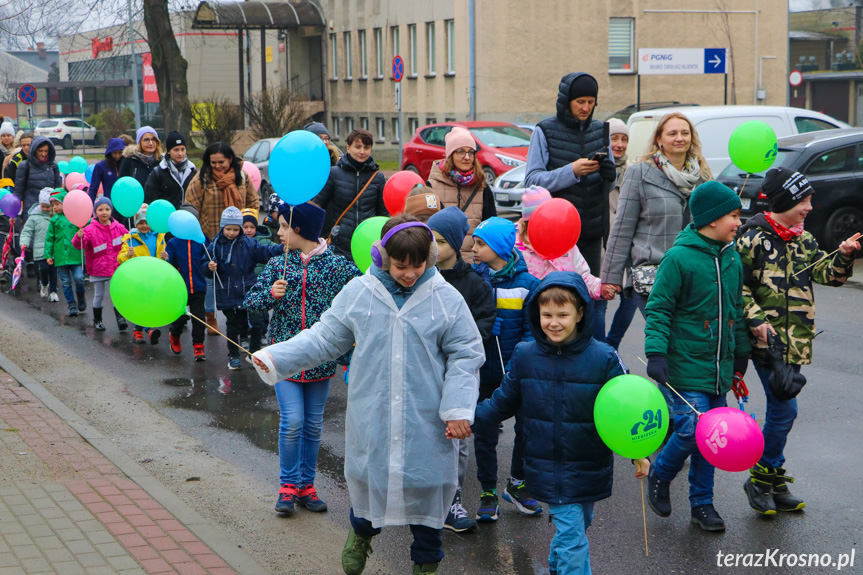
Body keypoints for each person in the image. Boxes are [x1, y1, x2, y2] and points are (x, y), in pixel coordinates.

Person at [250, 214, 484, 575]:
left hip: (428, 415)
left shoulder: (445, 298)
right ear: (382, 256)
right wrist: (275, 356)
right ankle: (361, 534)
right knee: (370, 480)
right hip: (373, 410)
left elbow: (466, 354)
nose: (409, 274)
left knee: (429, 487)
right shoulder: (360, 292)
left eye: (417, 265)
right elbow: (325, 338)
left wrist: (457, 408)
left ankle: (426, 562)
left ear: (430, 258)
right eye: (400, 265)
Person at [472, 272, 648, 575]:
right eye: (547, 314)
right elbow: (502, 402)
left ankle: (556, 567)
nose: (554, 322)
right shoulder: (526, 355)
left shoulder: (604, 357)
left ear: (580, 314)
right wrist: (466, 420)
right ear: (536, 314)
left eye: (563, 314)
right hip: (547, 465)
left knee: (579, 525)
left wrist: (637, 450)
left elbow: (626, 408)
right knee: (572, 535)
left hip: (589, 462)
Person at [736, 168, 859, 515]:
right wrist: (756, 320)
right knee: (784, 409)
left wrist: (844, 254)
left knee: (782, 410)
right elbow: (737, 286)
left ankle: (772, 480)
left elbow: (826, 274)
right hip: (765, 343)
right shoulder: (752, 238)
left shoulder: (803, 238)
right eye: (804, 200)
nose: (809, 206)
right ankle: (761, 477)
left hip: (797, 342)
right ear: (786, 201)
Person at [644, 181, 751, 532]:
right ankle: (660, 474)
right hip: (683, 365)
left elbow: (735, 309)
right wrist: (656, 352)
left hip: (717, 367)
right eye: (733, 215)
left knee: (715, 441)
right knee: (693, 431)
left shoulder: (732, 257)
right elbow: (658, 309)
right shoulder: (679, 258)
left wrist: (741, 354)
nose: (739, 222)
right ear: (711, 219)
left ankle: (702, 504)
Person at [244, 202, 361, 516]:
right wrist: (270, 294)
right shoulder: (278, 263)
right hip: (283, 360)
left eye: (283, 226)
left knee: (312, 425)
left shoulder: (338, 266)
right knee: (292, 421)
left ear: (301, 230)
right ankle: (287, 484)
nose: (279, 233)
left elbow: (361, 305)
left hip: (321, 363)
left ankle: (306, 486)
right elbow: (251, 301)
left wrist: (349, 356)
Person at [427, 206, 495, 533]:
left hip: (458, 375)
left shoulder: (474, 285)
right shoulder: (421, 277)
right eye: (430, 239)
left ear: (455, 243)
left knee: (458, 440)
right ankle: (422, 497)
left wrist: (456, 342)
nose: (433, 247)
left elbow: (482, 325)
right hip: (425, 373)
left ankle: (452, 500)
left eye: (440, 240)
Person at [601, 112, 711, 313]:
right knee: (661, 338)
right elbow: (622, 228)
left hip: (694, 275)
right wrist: (611, 277)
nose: (679, 138)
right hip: (652, 276)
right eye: (672, 133)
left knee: (685, 341)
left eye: (685, 133)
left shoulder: (702, 175)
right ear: (659, 139)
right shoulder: (640, 173)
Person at [471, 217, 541, 521]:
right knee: (484, 432)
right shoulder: (475, 278)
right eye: (474, 242)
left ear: (499, 247)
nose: (473, 249)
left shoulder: (528, 285)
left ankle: (517, 482)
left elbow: (532, 330)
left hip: (517, 373)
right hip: (483, 372)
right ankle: (487, 489)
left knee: (526, 429)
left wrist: (517, 365)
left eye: (480, 243)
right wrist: (483, 328)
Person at [524, 72, 616, 278]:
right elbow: (531, 181)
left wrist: (610, 177)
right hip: (556, 232)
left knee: (591, 295)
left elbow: (609, 185)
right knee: (560, 295)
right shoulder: (544, 131)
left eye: (591, 102)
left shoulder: (601, 130)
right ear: (567, 101)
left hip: (592, 232)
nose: (586, 108)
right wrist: (571, 172)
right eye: (580, 102)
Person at [185, 141, 259, 335]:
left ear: (231, 160)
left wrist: (249, 223)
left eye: (222, 162)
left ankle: (241, 318)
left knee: (240, 278)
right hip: (211, 238)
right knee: (211, 281)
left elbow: (253, 201)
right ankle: (211, 317)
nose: (217, 166)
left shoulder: (241, 177)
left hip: (239, 238)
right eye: (213, 162)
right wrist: (200, 233)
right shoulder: (201, 180)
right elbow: (190, 208)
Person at [202, 206, 283, 370]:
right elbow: (204, 264)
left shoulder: (249, 243)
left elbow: (265, 251)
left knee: (257, 323)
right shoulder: (215, 245)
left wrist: (281, 249)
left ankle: (254, 354)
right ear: (222, 227)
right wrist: (208, 267)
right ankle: (233, 356)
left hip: (249, 291)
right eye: (228, 229)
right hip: (228, 293)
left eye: (235, 229)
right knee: (233, 326)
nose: (232, 232)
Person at [313, 128, 387, 262]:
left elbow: (383, 214)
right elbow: (317, 207)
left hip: (369, 243)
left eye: (366, 147)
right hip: (339, 245)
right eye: (357, 147)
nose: (362, 151)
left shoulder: (378, 177)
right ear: (348, 148)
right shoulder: (334, 174)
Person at [516, 186, 601, 296]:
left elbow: (583, 277)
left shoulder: (565, 242)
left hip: (565, 306)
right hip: (532, 309)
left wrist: (601, 288)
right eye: (541, 221)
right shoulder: (516, 248)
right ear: (529, 224)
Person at [425, 127, 496, 260]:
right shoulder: (431, 186)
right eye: (460, 152)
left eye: (471, 152)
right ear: (450, 155)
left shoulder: (482, 187)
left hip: (474, 265)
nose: (467, 157)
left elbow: (491, 229)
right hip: (441, 264)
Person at [600, 118, 637, 350]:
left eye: (624, 139)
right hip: (601, 243)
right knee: (600, 300)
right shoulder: (598, 168)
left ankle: (611, 345)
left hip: (629, 243)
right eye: (614, 138)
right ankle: (600, 349)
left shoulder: (633, 171)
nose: (620, 144)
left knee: (631, 298)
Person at [72, 197, 129, 331]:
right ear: (95, 212)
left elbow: (128, 239)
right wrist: (78, 236)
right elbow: (78, 245)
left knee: (117, 294)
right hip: (98, 269)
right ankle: (97, 320)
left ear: (111, 211)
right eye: (100, 209)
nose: (104, 212)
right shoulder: (90, 229)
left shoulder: (119, 227)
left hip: (115, 268)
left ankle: (120, 318)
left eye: (107, 209)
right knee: (99, 295)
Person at [165, 205, 208, 361]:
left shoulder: (202, 241)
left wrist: (211, 265)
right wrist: (166, 259)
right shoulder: (173, 243)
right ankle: (174, 335)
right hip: (180, 288)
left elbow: (207, 260)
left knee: (199, 318)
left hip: (198, 286)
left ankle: (198, 346)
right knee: (180, 318)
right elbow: (170, 264)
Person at [118, 204, 167, 339]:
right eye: (141, 223)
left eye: (147, 222)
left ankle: (137, 330)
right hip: (138, 278)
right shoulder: (130, 239)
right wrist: (128, 254)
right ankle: (149, 329)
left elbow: (163, 257)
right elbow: (120, 258)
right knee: (142, 303)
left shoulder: (159, 237)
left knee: (150, 303)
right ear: (136, 223)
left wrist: (165, 257)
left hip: (154, 276)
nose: (144, 226)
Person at [45, 190, 87, 317]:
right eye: (53, 205)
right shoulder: (54, 220)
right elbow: (49, 238)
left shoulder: (76, 216)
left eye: (57, 204)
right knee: (65, 282)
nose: (55, 207)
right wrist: (48, 254)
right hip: (60, 256)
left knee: (79, 278)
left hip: (76, 254)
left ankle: (80, 296)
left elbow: (88, 225)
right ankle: (71, 303)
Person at [242, 207, 276, 354]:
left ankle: (262, 333)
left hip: (261, 283)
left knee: (262, 313)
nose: (249, 230)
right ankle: (244, 335)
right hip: (244, 284)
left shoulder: (263, 241)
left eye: (252, 227)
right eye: (245, 227)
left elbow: (274, 250)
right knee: (243, 313)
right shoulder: (239, 242)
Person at [19, 188, 58, 301]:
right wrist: (24, 242)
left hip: (54, 249)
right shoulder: (34, 216)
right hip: (40, 250)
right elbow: (27, 231)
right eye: (43, 206)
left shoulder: (55, 217)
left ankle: (54, 291)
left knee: (54, 271)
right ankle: (44, 284)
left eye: (48, 206)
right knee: (43, 269)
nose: (45, 209)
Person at [144, 131, 196, 209]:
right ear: (169, 151)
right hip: (165, 218)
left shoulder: (192, 170)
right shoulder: (158, 172)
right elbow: (150, 200)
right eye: (176, 150)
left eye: (183, 149)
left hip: (188, 218)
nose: (180, 153)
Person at [14, 135, 62, 218]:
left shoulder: (53, 166)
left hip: (50, 209)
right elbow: (18, 192)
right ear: (34, 150)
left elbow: (58, 190)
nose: (43, 154)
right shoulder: (25, 166)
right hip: (30, 210)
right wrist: (14, 213)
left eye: (46, 151)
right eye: (40, 151)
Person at [119, 126, 162, 190]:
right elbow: (121, 186)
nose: (151, 143)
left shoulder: (162, 162)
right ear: (139, 142)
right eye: (146, 140)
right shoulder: (129, 161)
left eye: (154, 139)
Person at [89, 138, 125, 203]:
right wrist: (90, 207)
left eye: (120, 153)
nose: (117, 156)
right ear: (110, 152)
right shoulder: (101, 166)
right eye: (114, 153)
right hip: (109, 206)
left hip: (125, 204)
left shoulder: (127, 164)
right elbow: (93, 189)